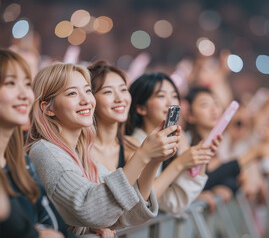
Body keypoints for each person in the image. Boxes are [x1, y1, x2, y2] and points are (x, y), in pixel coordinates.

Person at [26, 62, 179, 236]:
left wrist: (153, 160)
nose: (86, 100)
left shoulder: (80, 154)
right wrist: (143, 154)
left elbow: (129, 211)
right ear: (48, 108)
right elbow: (92, 210)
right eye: (72, 93)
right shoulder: (45, 151)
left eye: (87, 91)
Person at [126, 72, 221, 216]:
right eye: (161, 96)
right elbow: (144, 201)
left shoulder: (175, 138)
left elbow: (177, 199)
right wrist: (180, 164)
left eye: (174, 96)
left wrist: (202, 158)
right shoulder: (134, 145)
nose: (171, 103)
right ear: (140, 108)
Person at [0, 49, 65, 237]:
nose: (25, 94)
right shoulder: (42, 151)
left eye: (27, 84)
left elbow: (56, 224)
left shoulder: (22, 162)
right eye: (11, 83)